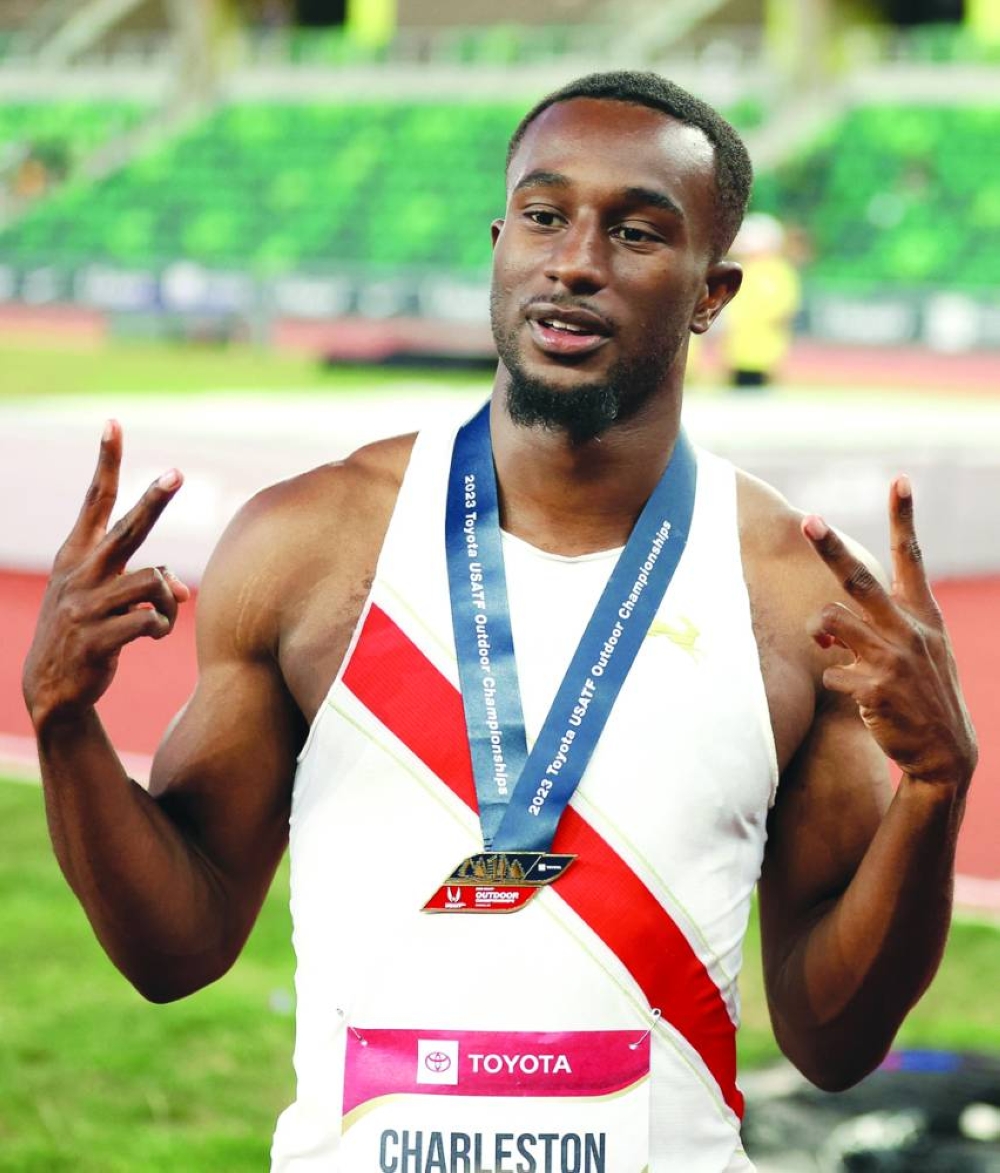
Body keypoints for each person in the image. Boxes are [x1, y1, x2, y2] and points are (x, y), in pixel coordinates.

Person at [22, 71, 976, 1173]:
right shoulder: (309, 546)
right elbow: (172, 951)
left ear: (712, 293)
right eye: (543, 215)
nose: (575, 259)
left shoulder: (794, 594)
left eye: (635, 231)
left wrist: (935, 794)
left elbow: (834, 1040)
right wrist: (64, 726)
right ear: (497, 241)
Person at [720, 212, 802, 388]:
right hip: (736, 357)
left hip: (765, 360)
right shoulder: (740, 270)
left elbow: (784, 315)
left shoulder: (779, 272)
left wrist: (778, 362)